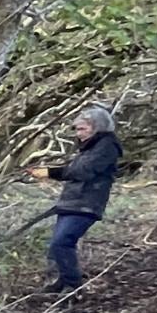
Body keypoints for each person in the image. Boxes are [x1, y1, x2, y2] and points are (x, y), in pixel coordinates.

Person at [43, 104, 124, 294]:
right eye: (77, 129)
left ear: (97, 127)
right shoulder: (89, 147)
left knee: (61, 243)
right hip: (73, 203)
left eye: (82, 128)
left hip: (86, 205)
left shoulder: (106, 147)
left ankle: (73, 287)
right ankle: (63, 282)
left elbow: (83, 171)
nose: (78, 133)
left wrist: (50, 172)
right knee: (57, 245)